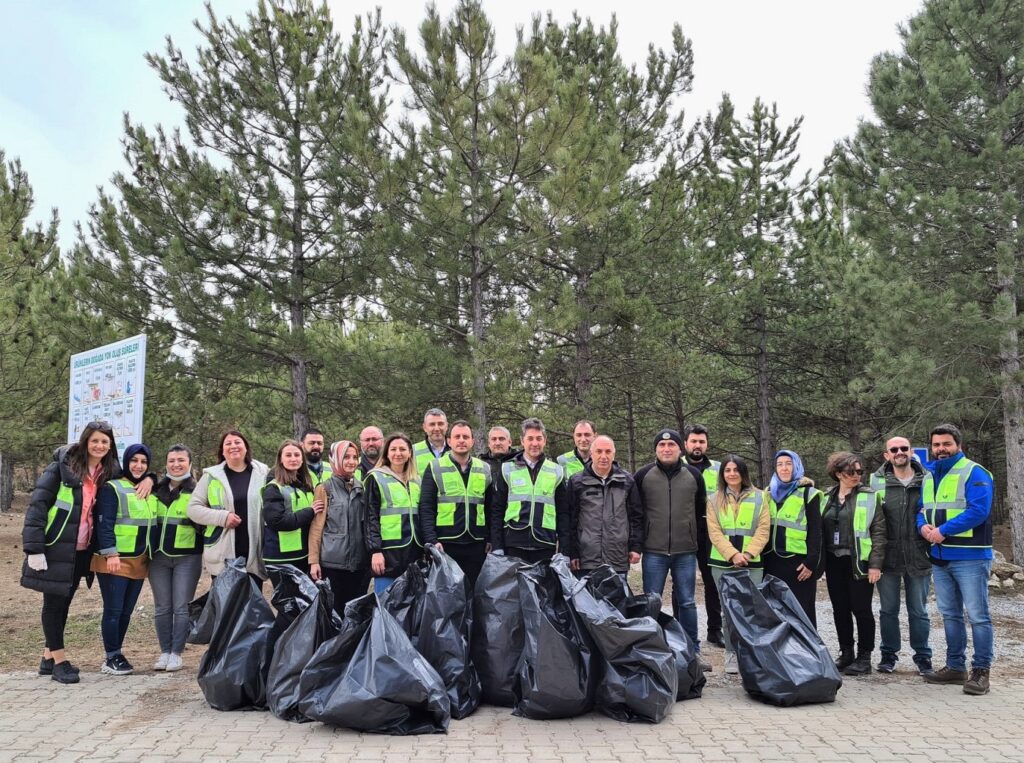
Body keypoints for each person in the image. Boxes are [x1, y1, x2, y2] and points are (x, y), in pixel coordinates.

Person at [21, 422, 131, 684]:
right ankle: (60, 662)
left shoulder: (110, 470)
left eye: (105, 442)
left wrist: (149, 478)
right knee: (54, 604)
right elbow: (37, 506)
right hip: (57, 545)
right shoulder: (63, 466)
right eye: (95, 441)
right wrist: (34, 548)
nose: (100, 446)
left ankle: (48, 657)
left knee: (65, 602)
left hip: (82, 549)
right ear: (85, 442)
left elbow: (133, 479)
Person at [918, 423, 995, 695]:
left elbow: (979, 511)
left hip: (970, 558)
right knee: (950, 615)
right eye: (936, 444)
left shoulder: (975, 472)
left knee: (978, 616)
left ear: (958, 446)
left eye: (946, 444)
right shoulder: (928, 477)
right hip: (940, 557)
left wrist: (942, 531)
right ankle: (955, 667)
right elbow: (922, 510)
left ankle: (981, 671)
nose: (941, 449)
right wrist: (922, 527)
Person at [634, 428, 708, 664]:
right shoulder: (643, 475)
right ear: (656, 449)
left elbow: (699, 510)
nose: (666, 449)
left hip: (685, 551)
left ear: (680, 448)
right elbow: (636, 512)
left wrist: (691, 534)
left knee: (687, 601)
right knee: (652, 600)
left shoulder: (694, 475)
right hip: (654, 551)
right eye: (662, 446)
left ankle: (691, 651)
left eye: (671, 445)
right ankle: (652, 650)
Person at [92, 443, 158, 676]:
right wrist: (110, 553)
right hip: (115, 560)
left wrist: (152, 478)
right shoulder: (112, 488)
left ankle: (117, 652)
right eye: (134, 461)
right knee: (113, 609)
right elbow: (104, 522)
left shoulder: (146, 487)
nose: (138, 466)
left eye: (143, 462)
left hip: (139, 560)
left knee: (126, 611)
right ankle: (111, 657)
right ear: (125, 461)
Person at [871, 436, 933, 675]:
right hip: (888, 556)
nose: (899, 452)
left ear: (911, 452)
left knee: (918, 610)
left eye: (904, 448)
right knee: (888, 610)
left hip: (918, 555)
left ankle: (923, 656)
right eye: (894, 449)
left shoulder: (927, 480)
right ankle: (888, 655)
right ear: (887, 455)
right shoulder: (877, 483)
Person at [822, 451, 886, 676]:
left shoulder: (870, 496)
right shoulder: (826, 496)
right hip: (833, 561)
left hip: (859, 561)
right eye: (851, 472)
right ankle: (846, 652)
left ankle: (864, 657)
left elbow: (879, 532)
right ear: (838, 473)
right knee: (840, 609)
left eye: (860, 471)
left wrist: (875, 565)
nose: (857, 475)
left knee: (861, 609)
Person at [705, 455, 770, 674]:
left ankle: (751, 653)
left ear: (743, 472)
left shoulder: (761, 497)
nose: (732, 474)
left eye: (736, 470)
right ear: (722, 474)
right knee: (728, 610)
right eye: (727, 470)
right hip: (722, 563)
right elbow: (714, 532)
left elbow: (763, 529)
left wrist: (749, 553)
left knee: (752, 610)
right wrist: (732, 554)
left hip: (752, 563)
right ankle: (731, 653)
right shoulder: (713, 500)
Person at [420, 420, 494, 587]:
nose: (461, 440)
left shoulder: (484, 468)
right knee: (448, 597)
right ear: (449, 441)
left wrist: (490, 538)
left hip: (477, 544)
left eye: (466, 437)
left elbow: (491, 508)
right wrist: (431, 540)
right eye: (457, 436)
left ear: (473, 441)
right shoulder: (435, 467)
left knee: (475, 593)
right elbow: (426, 507)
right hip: (445, 545)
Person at [187, 430, 270, 580]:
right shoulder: (211, 477)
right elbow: (193, 509)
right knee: (225, 604)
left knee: (251, 603)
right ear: (222, 451)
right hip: (223, 555)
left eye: (238, 442)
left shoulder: (263, 473)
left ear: (246, 448)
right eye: (228, 443)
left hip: (254, 556)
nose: (233, 446)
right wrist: (222, 517)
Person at [149, 445, 202, 673]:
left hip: (187, 558)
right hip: (158, 557)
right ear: (166, 463)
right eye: (172, 460)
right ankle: (164, 651)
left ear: (190, 463)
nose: (176, 464)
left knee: (181, 607)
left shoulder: (199, 490)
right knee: (162, 607)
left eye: (181, 460)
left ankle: (176, 653)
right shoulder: (154, 489)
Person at [490, 417, 572, 564]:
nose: (535, 443)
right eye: (530, 439)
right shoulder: (507, 469)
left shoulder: (556, 471)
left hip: (545, 544)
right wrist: (497, 546)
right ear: (522, 441)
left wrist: (564, 551)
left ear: (544, 440)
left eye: (539, 439)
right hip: (514, 544)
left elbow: (563, 514)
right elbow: (497, 511)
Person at [567, 435, 643, 577]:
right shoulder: (577, 482)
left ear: (614, 454)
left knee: (617, 599)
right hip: (586, 559)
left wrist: (636, 547)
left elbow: (636, 517)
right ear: (591, 453)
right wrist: (573, 553)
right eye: (599, 451)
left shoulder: (627, 481)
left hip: (618, 558)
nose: (603, 456)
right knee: (587, 599)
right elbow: (571, 520)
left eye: (608, 452)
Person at [763, 449, 823, 627]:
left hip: (798, 563)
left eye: (789, 464)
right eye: (780, 464)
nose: (784, 468)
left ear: (796, 466)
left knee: (801, 610)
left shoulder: (808, 493)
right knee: (774, 610)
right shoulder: (768, 493)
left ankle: (807, 652)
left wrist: (811, 562)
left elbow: (816, 530)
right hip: (771, 561)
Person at [310, 441, 371, 614]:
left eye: (354, 457)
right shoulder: (325, 488)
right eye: (346, 457)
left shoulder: (362, 487)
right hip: (333, 564)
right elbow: (316, 528)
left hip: (360, 563)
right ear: (336, 459)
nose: (351, 461)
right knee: (335, 612)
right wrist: (314, 562)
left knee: (355, 612)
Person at [683, 424, 725, 648]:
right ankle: (682, 630)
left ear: (706, 444)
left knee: (712, 582)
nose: (697, 445)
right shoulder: (676, 466)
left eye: (701, 441)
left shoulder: (719, 469)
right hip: (684, 532)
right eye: (693, 441)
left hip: (711, 532)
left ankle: (714, 630)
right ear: (685, 444)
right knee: (683, 584)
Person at [365, 432, 422, 593]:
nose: (398, 453)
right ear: (387, 453)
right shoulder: (375, 477)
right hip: (388, 553)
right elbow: (370, 518)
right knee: (386, 606)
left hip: (414, 551)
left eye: (402, 449)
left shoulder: (417, 480)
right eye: (393, 449)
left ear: (410, 453)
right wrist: (375, 551)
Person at [262, 439, 323, 582]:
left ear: (302, 459)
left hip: (303, 554)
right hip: (281, 557)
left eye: (297, 455)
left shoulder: (305, 484)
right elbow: (276, 521)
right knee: (289, 603)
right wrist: (310, 511)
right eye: (288, 455)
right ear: (281, 460)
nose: (293, 459)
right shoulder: (274, 487)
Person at [413, 408, 450, 476]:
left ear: (446, 426)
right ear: (424, 427)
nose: (436, 428)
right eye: (432, 424)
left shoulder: (456, 449)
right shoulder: (413, 451)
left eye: (440, 424)